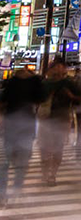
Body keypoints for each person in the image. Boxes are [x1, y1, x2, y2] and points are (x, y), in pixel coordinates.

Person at [0, 67, 45, 205]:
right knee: (21, 161)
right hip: (26, 125)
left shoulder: (12, 82)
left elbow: (2, 101)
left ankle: (3, 193)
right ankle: (15, 188)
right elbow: (41, 99)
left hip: (12, 125)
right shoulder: (35, 83)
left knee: (6, 162)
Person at [38, 58, 81, 185]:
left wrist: (71, 97)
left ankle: (52, 175)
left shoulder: (69, 83)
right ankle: (45, 173)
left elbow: (79, 98)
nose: (58, 69)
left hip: (61, 118)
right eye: (56, 66)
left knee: (58, 148)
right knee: (45, 149)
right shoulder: (44, 83)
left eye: (61, 66)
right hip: (45, 119)